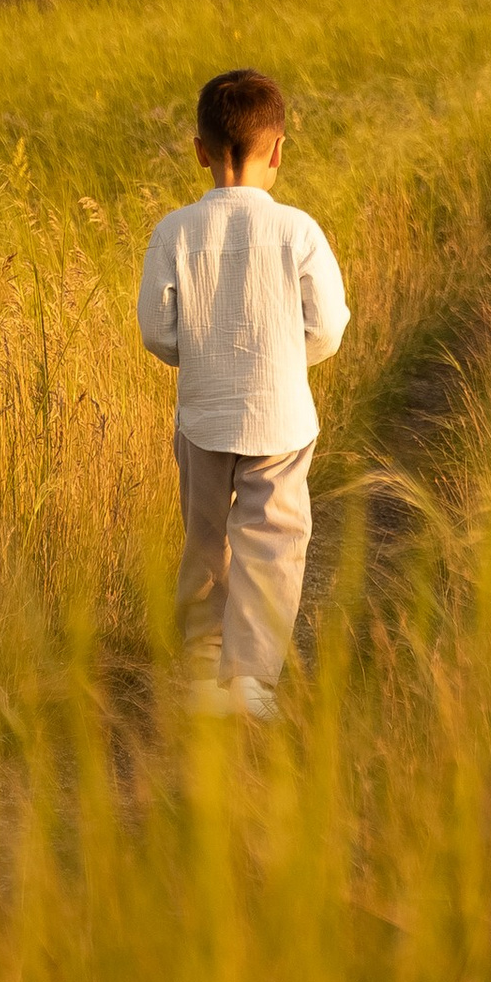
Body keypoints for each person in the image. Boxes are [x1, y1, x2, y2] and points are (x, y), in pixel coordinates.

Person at [137, 66, 350, 719]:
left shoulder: (174, 231)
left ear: (199, 151)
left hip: (204, 414)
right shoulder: (299, 231)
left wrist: (197, 356)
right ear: (280, 150)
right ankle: (252, 681)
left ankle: (203, 672)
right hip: (281, 418)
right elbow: (329, 328)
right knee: (274, 542)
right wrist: (291, 358)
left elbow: (156, 330)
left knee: (207, 538)